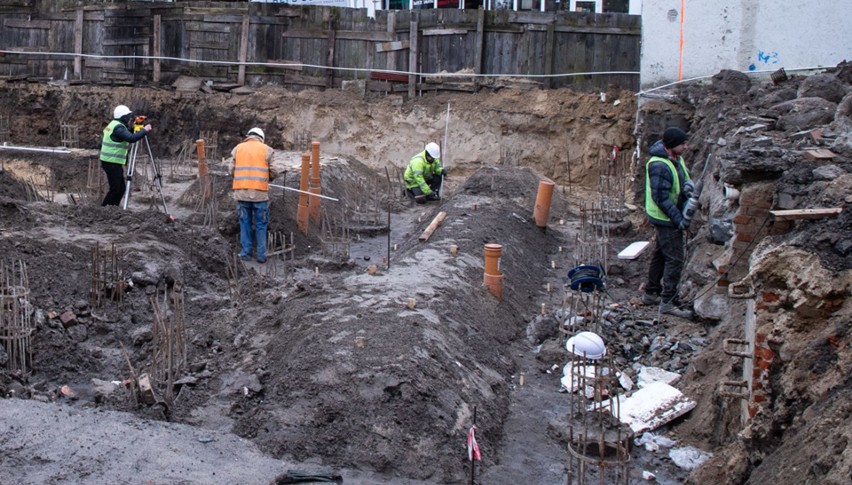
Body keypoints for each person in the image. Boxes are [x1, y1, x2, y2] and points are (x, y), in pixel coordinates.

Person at [643, 127, 695, 319]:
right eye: (683, 144)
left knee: (660, 253)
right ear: (673, 145)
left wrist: (689, 187)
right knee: (675, 259)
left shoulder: (675, 159)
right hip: (664, 217)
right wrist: (678, 219)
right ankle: (667, 302)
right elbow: (660, 197)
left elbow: (683, 180)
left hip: (669, 215)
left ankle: (651, 292)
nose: (686, 146)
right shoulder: (659, 165)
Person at [231, 127, 275, 263]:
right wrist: (269, 178)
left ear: (248, 136)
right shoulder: (267, 150)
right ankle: (261, 256)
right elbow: (273, 170)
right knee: (261, 224)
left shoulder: (238, 149)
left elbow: (231, 169)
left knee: (245, 223)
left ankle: (246, 253)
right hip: (260, 194)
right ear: (261, 138)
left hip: (242, 193)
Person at [99, 105, 152, 206]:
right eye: (128, 116)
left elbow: (126, 134)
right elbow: (131, 138)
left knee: (120, 189)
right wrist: (144, 130)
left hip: (111, 161)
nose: (130, 118)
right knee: (115, 189)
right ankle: (105, 209)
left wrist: (137, 126)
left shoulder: (115, 124)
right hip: (111, 162)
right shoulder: (118, 127)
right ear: (124, 117)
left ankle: (112, 208)